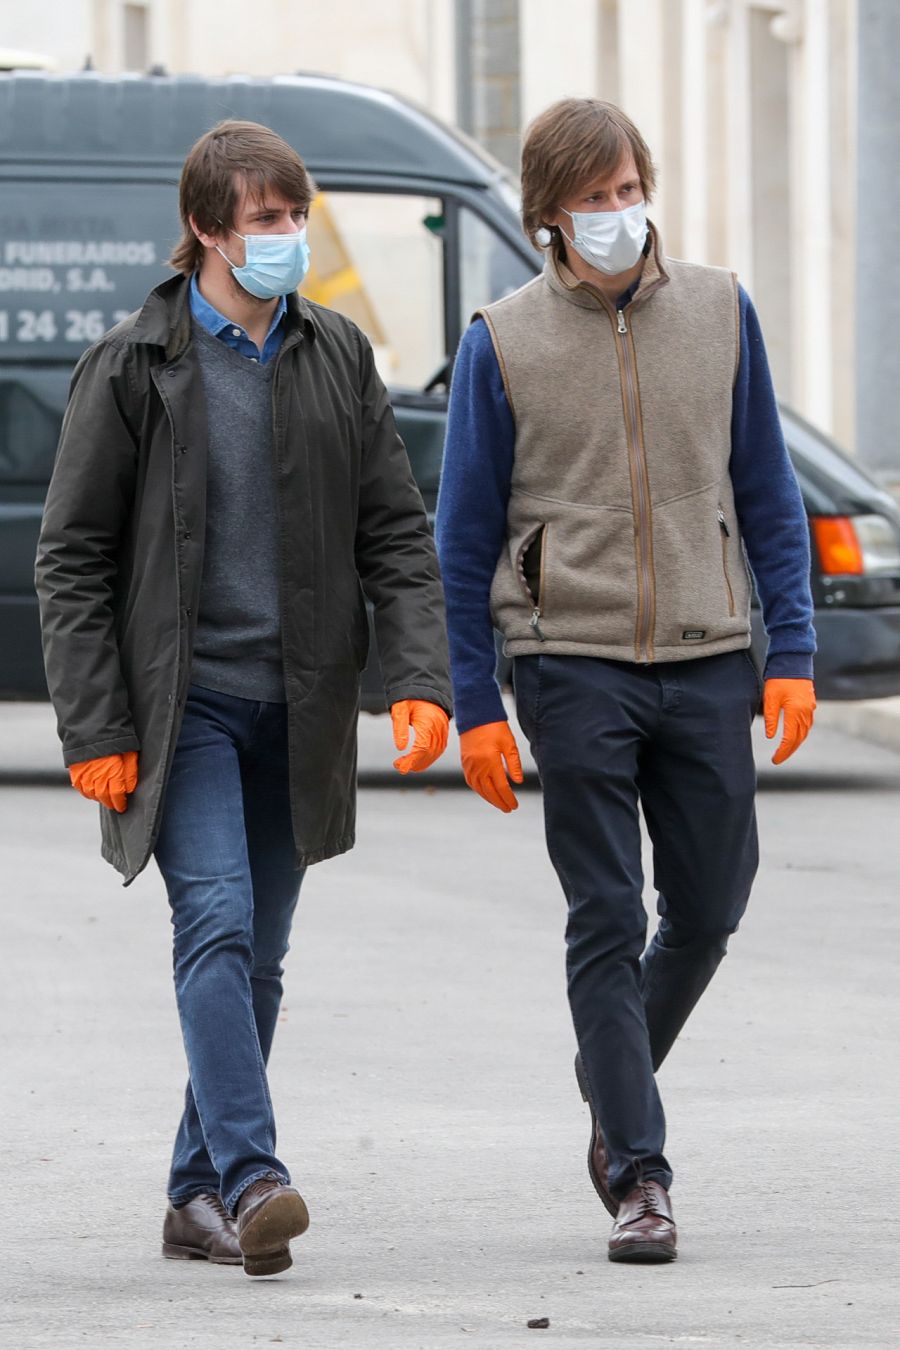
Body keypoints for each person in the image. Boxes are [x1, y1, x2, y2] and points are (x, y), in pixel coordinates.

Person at [36, 120, 452, 1277]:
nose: (287, 236)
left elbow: (396, 535)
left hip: (300, 707)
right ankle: (255, 1175)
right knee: (213, 924)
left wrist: (420, 678)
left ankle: (192, 1195)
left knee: (258, 959)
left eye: (294, 214)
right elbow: (69, 557)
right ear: (209, 230)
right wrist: (98, 727)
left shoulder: (337, 355)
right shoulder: (133, 365)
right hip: (189, 711)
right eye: (265, 219)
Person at [435, 98, 815, 1264]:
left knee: (708, 907)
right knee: (604, 911)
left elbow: (768, 494)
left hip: (708, 656)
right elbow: (462, 535)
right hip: (571, 662)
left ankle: (611, 1069)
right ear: (547, 214)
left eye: (628, 188)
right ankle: (640, 1175)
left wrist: (790, 652)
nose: (616, 213)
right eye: (591, 198)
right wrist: (477, 704)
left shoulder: (720, 311)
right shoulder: (500, 339)